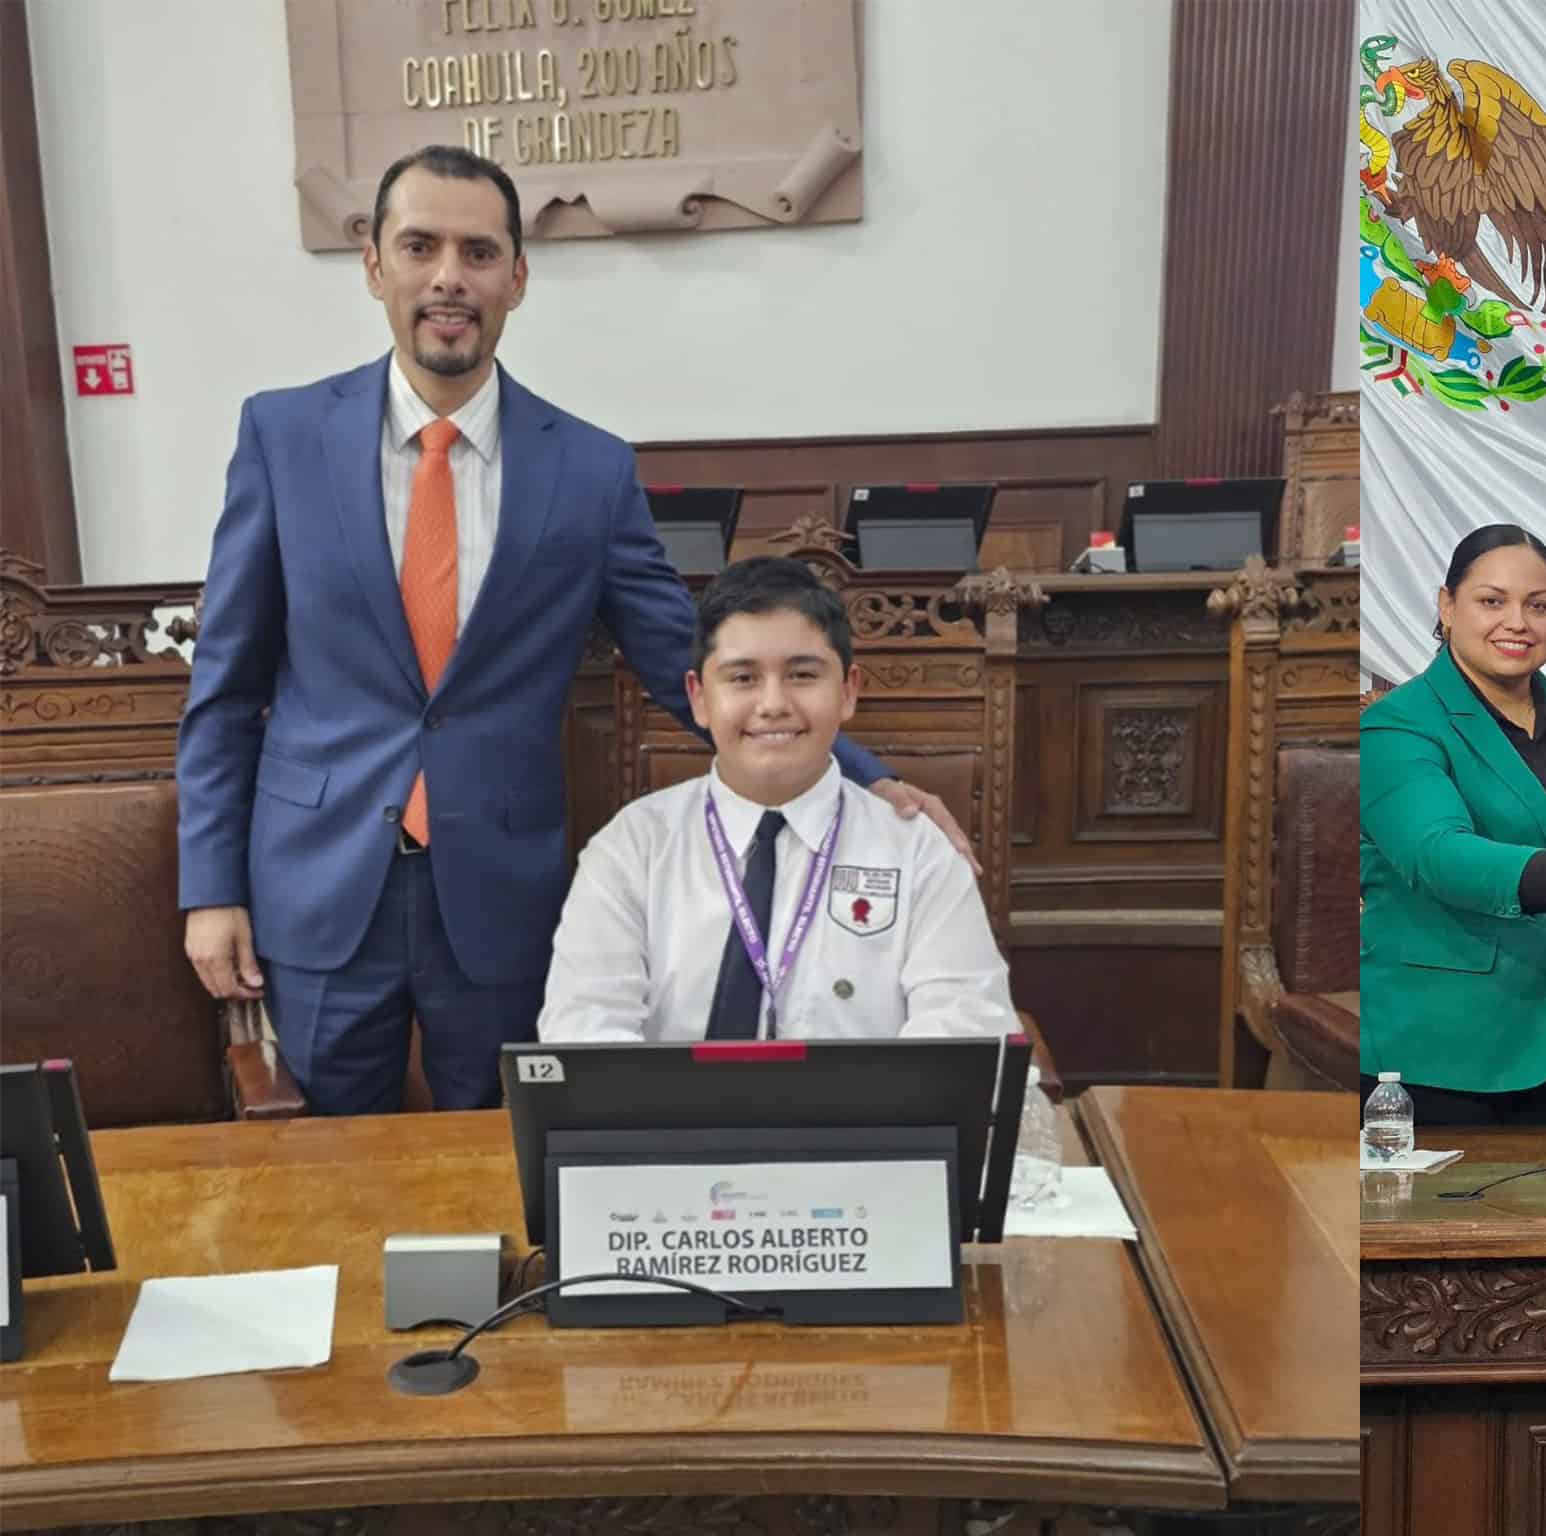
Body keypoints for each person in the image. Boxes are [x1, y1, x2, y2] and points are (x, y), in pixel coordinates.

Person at [175, 145, 964, 1113]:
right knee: (332, 1167)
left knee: (505, 1166)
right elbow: (225, 690)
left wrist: (863, 771)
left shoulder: (586, 468)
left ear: (518, 275)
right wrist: (210, 890)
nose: (448, 277)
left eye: (477, 250)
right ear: (375, 265)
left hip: (497, 893)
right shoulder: (281, 436)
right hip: (319, 884)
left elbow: (688, 656)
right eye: (420, 246)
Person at [538, 559, 1014, 1042]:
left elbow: (967, 1031)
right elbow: (585, 1030)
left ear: (848, 692)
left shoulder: (917, 852)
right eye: (742, 678)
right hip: (673, 1117)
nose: (773, 704)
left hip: (865, 1117)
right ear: (699, 697)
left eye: (803, 675)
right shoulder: (631, 849)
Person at [1359, 525, 1546, 1124]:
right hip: (1439, 1054)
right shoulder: (1397, 724)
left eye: (1538, 605)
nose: (1517, 622)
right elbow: (1437, 854)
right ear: (1447, 606)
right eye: (1491, 601)